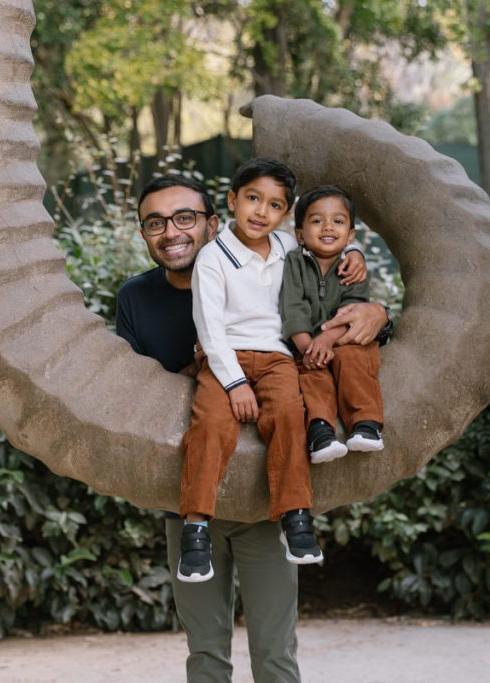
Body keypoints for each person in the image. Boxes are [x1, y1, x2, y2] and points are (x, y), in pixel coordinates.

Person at [116, 172, 387, 683]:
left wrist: (373, 300)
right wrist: (207, 374)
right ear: (143, 232)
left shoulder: (279, 259)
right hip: (190, 496)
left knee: (276, 653)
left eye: (184, 217)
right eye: (155, 222)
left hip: (266, 497)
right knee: (205, 654)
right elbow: (135, 394)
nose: (171, 231)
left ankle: (296, 519)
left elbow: (325, 286)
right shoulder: (135, 299)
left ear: (213, 221)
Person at [178, 157, 366, 583]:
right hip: (224, 357)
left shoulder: (286, 248)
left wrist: (353, 250)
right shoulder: (212, 259)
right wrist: (235, 383)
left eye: (275, 205)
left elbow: (327, 244)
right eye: (252, 199)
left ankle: (296, 517)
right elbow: (210, 328)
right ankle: (196, 527)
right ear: (232, 200)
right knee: (209, 426)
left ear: (287, 214)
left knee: (287, 418)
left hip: (279, 358)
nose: (261, 212)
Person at [280, 185, 386, 463]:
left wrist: (327, 340)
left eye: (338, 221)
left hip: (345, 338)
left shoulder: (352, 266)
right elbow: (292, 305)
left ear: (350, 235)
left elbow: (352, 308)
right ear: (300, 234)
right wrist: (307, 348)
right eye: (317, 221)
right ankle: (321, 431)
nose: (328, 227)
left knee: (355, 360)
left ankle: (366, 424)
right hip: (306, 343)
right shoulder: (294, 262)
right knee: (310, 374)